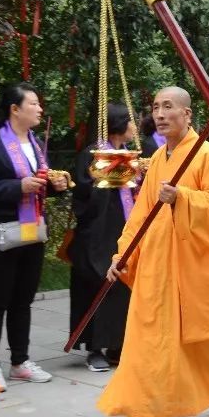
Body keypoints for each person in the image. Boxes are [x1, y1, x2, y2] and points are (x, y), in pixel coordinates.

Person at [95, 87, 209, 417]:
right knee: (147, 341)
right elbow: (141, 213)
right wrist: (123, 255)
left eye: (168, 106)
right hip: (156, 265)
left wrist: (185, 198)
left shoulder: (205, 153)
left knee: (204, 343)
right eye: (156, 107)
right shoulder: (158, 157)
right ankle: (138, 415)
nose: (159, 113)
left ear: (187, 114)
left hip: (188, 267)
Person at [0, 83, 70, 390]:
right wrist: (16, 187)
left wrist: (55, 185)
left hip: (31, 230)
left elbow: (36, 183)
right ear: (15, 109)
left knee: (22, 301)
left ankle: (20, 361)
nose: (40, 109)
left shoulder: (35, 143)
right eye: (34, 104)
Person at [69, 104, 137, 373]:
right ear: (119, 124)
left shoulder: (127, 154)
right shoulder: (92, 154)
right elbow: (86, 192)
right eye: (129, 122)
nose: (134, 127)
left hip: (122, 228)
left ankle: (116, 344)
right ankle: (94, 348)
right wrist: (115, 174)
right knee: (99, 284)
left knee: (121, 287)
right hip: (98, 232)